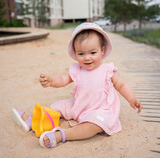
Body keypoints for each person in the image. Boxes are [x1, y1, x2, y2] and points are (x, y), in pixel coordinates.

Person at [11, 22, 142, 148]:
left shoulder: (107, 70)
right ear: (75, 53)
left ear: (102, 50)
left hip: (101, 110)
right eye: (81, 54)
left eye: (92, 53)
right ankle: (32, 121)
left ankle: (62, 135)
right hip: (79, 106)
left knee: (94, 125)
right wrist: (51, 81)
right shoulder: (77, 70)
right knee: (58, 105)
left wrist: (131, 99)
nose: (87, 58)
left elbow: (121, 85)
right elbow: (63, 79)